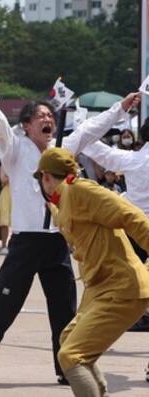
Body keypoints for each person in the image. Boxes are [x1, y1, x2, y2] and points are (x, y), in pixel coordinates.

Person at [0, 92, 140, 384]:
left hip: (55, 241)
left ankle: (65, 367)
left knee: (64, 307)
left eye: (50, 117)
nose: (47, 120)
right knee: (3, 304)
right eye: (40, 116)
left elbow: (89, 130)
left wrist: (120, 109)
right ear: (26, 125)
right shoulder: (14, 149)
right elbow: (1, 125)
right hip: (25, 242)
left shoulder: (62, 148)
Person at [34, 147, 149, 397]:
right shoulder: (65, 199)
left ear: (45, 177)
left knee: (71, 356)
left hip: (121, 289)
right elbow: (69, 217)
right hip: (99, 288)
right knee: (68, 340)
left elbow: (133, 217)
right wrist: (52, 207)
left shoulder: (81, 190)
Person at [82, 118, 149, 336]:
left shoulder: (132, 160)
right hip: (137, 225)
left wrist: (86, 127)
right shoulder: (133, 159)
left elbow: (97, 150)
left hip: (135, 227)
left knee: (126, 276)